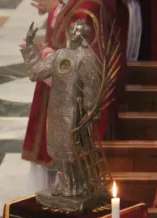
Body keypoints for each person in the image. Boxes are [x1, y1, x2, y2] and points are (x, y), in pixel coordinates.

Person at [22, 0, 121, 192]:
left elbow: (78, 75)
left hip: (74, 110)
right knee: (58, 159)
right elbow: (39, 71)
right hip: (59, 105)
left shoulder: (89, 7)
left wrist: (42, 53)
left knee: (71, 166)